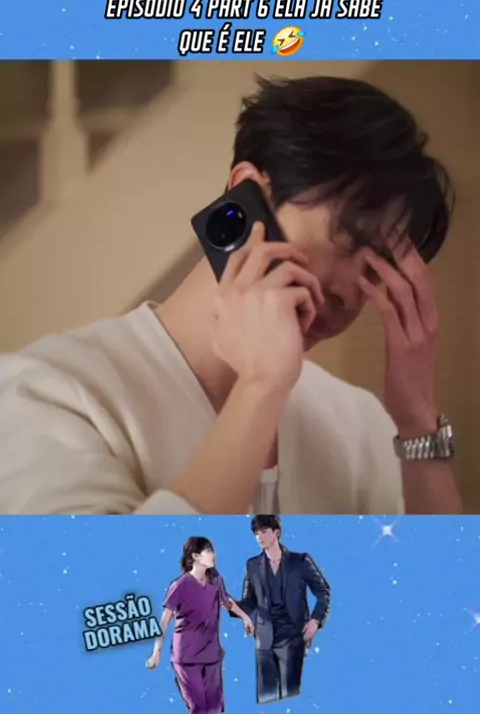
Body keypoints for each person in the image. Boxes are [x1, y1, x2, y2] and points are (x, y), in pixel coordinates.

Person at [0, 75, 463, 515]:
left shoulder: (358, 422)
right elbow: (114, 575)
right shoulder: (48, 391)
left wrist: (416, 420)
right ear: (247, 193)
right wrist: (260, 388)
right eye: (347, 238)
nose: (349, 294)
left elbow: (438, 574)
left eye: (377, 268)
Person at [146, 536, 254, 714]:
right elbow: (164, 620)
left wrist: (245, 617)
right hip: (187, 657)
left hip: (211, 654)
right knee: (199, 707)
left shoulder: (215, 580)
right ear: (195, 556)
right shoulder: (180, 585)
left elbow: (226, 601)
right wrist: (157, 651)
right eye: (208, 551)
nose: (213, 554)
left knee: (215, 707)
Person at [231, 514, 330, 704]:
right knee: (266, 699)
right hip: (265, 638)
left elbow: (323, 591)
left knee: (289, 697)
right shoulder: (253, 565)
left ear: (277, 532)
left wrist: (316, 621)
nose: (259, 537)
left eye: (264, 531)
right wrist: (234, 607)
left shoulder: (300, 561)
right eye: (256, 533)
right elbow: (249, 602)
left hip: (293, 637)